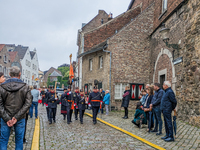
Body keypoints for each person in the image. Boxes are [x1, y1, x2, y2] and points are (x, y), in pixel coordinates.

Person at [0, 66, 32, 150]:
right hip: (20, 118)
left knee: (3, 140)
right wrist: (17, 117)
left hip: (5, 117)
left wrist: (7, 118)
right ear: (20, 74)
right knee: (19, 140)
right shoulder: (26, 87)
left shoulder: (2, 87)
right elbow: (28, 103)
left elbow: (0, 105)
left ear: (9, 74)